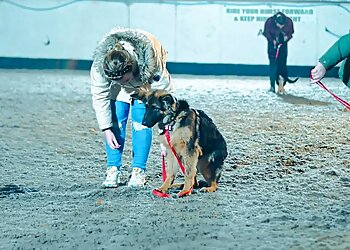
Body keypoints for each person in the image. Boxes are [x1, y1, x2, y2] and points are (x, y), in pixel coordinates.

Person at [90, 27, 174, 188]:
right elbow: (100, 96)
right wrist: (106, 129)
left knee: (141, 122)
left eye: (123, 79)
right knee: (116, 119)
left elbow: (164, 98)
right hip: (123, 81)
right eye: (116, 80)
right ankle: (113, 168)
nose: (121, 83)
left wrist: (164, 133)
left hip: (144, 81)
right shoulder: (100, 66)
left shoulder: (153, 62)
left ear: (130, 69)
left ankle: (139, 171)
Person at [263, 12, 294, 92]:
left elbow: (291, 33)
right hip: (272, 45)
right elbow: (266, 33)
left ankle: (282, 85)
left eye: (282, 25)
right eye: (279, 25)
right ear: (275, 21)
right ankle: (272, 85)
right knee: (273, 65)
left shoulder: (289, 22)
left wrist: (287, 38)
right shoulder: (269, 21)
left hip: (283, 45)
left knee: (282, 64)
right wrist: (272, 40)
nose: (280, 27)